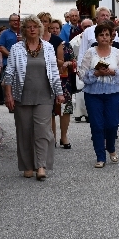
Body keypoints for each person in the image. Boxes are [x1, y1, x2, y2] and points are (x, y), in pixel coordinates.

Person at [3, 15, 65, 181]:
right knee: (25, 130)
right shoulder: (16, 48)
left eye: (35, 27)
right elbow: (9, 72)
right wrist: (8, 94)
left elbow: (54, 72)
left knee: (42, 131)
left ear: (40, 29)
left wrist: (59, 92)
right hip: (22, 95)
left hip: (44, 95)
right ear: (24, 30)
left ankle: (41, 165)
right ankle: (27, 166)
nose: (32, 29)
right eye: (29, 27)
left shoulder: (48, 48)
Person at [79, 22, 119, 168]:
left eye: (107, 35)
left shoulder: (116, 52)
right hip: (93, 93)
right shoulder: (90, 52)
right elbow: (82, 74)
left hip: (113, 92)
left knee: (112, 124)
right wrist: (96, 73)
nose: (104, 38)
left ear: (111, 36)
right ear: (96, 37)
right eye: (101, 35)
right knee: (97, 125)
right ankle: (100, 156)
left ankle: (110, 147)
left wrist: (113, 72)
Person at [51, 19, 75, 148]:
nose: (54, 30)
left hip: (65, 81)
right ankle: (52, 137)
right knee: (51, 110)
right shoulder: (45, 44)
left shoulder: (66, 45)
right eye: (52, 28)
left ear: (60, 30)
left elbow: (73, 61)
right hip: (50, 80)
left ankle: (64, 136)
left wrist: (68, 63)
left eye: (57, 28)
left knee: (65, 109)